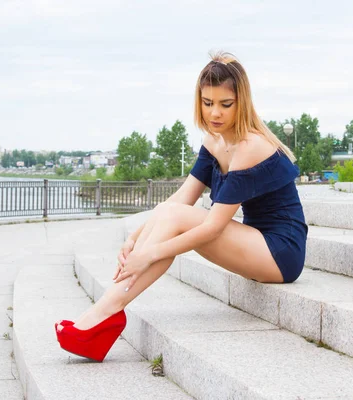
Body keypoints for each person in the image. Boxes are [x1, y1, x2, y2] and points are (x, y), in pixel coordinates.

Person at [55, 51, 308, 362]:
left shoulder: (250, 146)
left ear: (242, 103)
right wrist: (134, 238)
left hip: (280, 252)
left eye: (225, 104)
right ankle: (104, 314)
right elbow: (179, 200)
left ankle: (106, 312)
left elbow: (212, 227)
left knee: (175, 219)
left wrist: (149, 253)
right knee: (170, 211)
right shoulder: (213, 142)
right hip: (253, 242)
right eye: (208, 102)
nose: (215, 112)